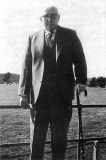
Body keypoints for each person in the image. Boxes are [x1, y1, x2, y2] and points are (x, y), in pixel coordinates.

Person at [18, 6, 87, 160]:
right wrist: (23, 93)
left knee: (60, 141)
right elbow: (26, 67)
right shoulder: (33, 37)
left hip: (61, 99)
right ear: (41, 19)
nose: (49, 19)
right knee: (36, 141)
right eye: (46, 16)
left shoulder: (70, 35)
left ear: (58, 17)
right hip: (38, 100)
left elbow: (80, 60)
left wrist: (81, 80)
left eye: (53, 16)